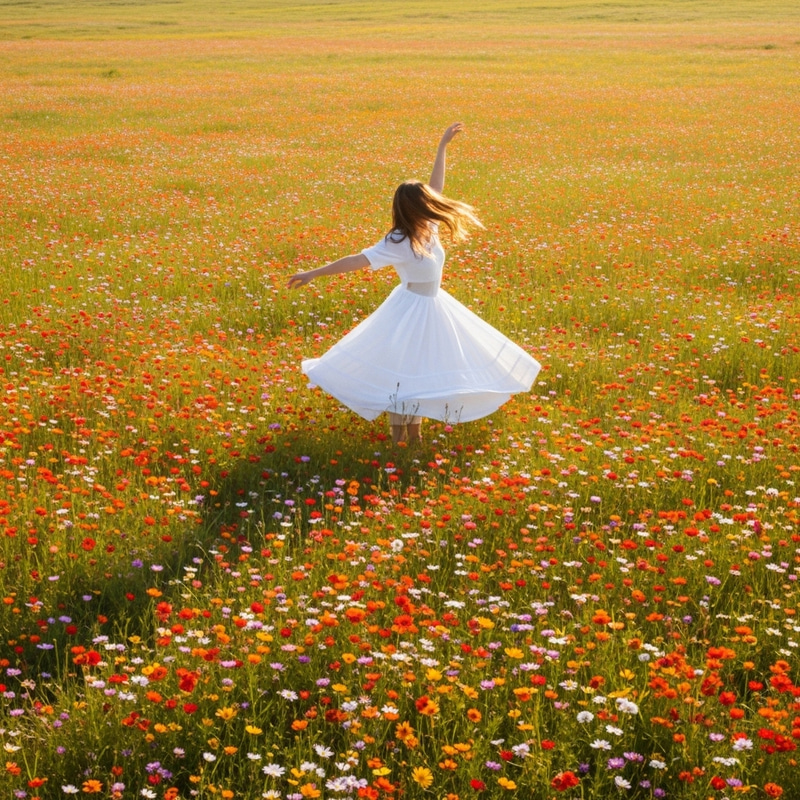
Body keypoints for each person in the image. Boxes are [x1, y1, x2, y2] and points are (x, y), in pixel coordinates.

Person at [288, 122, 540, 445]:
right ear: (414, 209)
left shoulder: (429, 226)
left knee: (420, 372)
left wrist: (442, 146)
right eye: (425, 202)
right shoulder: (397, 241)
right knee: (403, 374)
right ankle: (398, 441)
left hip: (435, 307)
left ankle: (415, 436)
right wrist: (314, 273)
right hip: (408, 312)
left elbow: (436, 186)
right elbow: (355, 261)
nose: (433, 204)